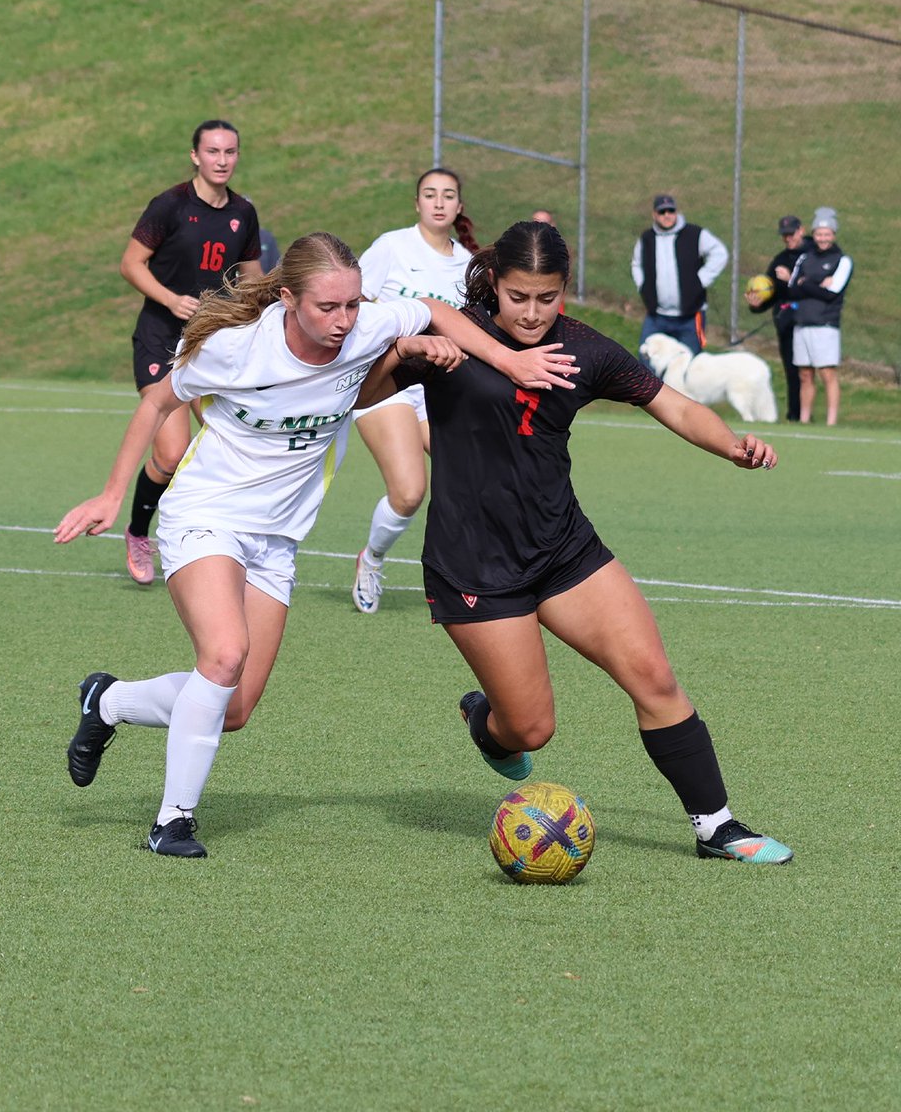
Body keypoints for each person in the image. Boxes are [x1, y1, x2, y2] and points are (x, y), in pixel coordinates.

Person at [55, 232, 578, 859]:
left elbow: (436, 311)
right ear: (286, 300)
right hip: (205, 516)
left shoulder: (362, 327)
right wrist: (113, 496)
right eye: (328, 308)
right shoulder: (235, 350)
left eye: (353, 306)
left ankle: (107, 700)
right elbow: (156, 404)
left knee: (235, 705)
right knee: (223, 658)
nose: (344, 321)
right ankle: (173, 821)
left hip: (276, 542)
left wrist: (508, 361)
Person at [361, 220, 792, 865]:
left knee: (654, 677)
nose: (532, 313)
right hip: (475, 565)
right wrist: (405, 356)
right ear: (494, 287)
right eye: (517, 297)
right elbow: (364, 395)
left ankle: (716, 826)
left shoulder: (585, 350)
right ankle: (489, 725)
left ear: (563, 290)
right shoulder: (455, 339)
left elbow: (669, 403)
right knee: (530, 728)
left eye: (547, 297)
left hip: (565, 550)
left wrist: (731, 444)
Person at [119, 120, 264, 586]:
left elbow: (253, 279)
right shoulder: (170, 205)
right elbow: (130, 264)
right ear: (195, 156)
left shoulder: (244, 212)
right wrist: (169, 299)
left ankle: (217, 541)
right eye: (213, 151)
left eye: (231, 151)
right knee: (172, 450)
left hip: (210, 341)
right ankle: (139, 532)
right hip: (161, 336)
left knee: (230, 439)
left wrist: (254, 314)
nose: (222, 159)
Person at [350, 168, 479, 614]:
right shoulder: (391, 247)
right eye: (430, 194)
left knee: (471, 481)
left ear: (459, 206)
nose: (439, 202)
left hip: (437, 386)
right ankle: (372, 558)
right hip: (384, 382)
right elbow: (354, 305)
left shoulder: (467, 264)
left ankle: (468, 576)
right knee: (408, 492)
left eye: (448, 195)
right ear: (417, 203)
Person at [632, 194, 728, 355]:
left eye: (671, 211)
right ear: (654, 215)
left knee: (688, 368)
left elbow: (720, 253)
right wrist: (643, 285)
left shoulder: (695, 234)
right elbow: (636, 263)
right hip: (657, 317)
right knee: (646, 366)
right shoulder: (646, 239)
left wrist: (701, 280)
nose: (667, 215)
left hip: (690, 317)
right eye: (662, 212)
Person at [744, 214, 812, 422]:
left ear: (801, 230)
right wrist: (757, 303)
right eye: (784, 235)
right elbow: (770, 292)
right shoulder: (780, 259)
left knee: (812, 373)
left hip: (810, 321)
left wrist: (790, 278)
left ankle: (813, 418)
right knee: (792, 371)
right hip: (786, 324)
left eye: (791, 233)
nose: (788, 238)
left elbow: (813, 286)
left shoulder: (813, 254)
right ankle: (794, 416)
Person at [789, 207, 853, 427]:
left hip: (825, 324)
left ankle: (831, 422)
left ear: (833, 235)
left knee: (827, 373)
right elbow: (792, 289)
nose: (823, 238)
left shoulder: (842, 260)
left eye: (827, 234)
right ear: (814, 234)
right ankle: (804, 419)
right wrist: (814, 284)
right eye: (819, 234)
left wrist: (806, 284)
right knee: (805, 374)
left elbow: (831, 293)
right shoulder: (805, 257)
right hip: (802, 322)